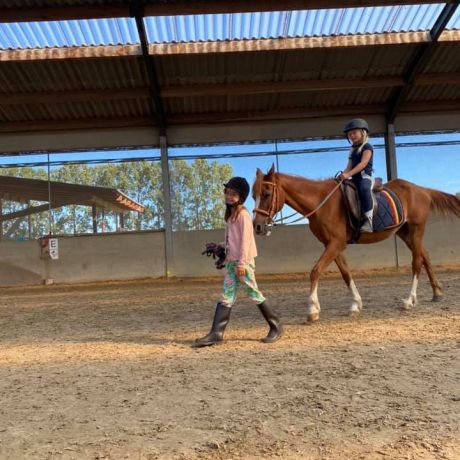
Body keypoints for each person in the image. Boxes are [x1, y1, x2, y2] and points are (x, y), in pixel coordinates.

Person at [194, 176, 283, 347]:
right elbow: (233, 240)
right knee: (226, 296)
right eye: (227, 193)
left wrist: (242, 263)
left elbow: (246, 241)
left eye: (233, 194)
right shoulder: (230, 215)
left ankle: (276, 326)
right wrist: (221, 247)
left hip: (243, 262)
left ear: (241, 197)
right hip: (231, 262)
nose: (228, 196)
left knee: (253, 293)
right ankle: (216, 333)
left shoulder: (243, 215)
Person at [339, 118, 375, 233]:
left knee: (364, 189)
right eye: (349, 134)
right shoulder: (352, 150)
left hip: (365, 178)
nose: (352, 136)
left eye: (354, 133)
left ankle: (369, 221)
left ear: (363, 133)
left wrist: (349, 174)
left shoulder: (367, 147)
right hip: (354, 178)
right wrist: (343, 175)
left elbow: (363, 163)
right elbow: (348, 167)